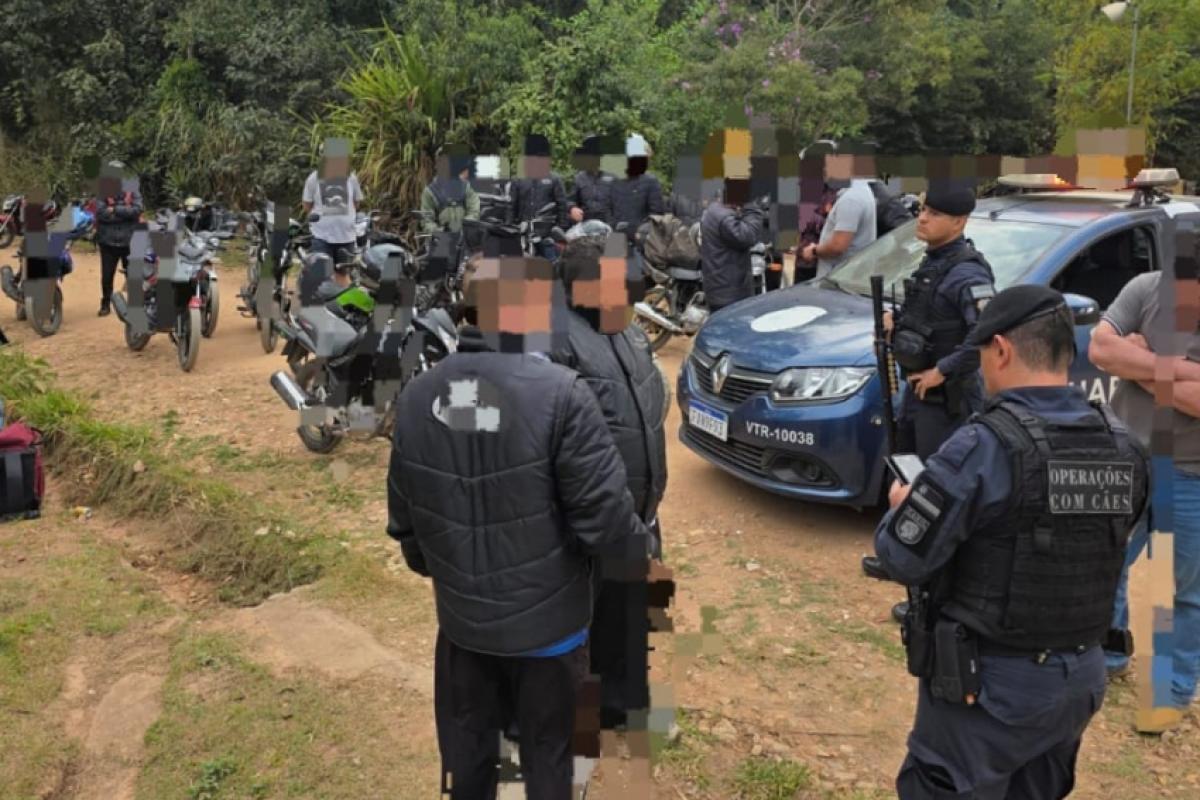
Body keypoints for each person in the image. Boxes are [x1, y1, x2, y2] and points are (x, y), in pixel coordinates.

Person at [386, 254, 652, 800]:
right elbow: (608, 527)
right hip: (551, 639)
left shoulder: (416, 397)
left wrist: (460, 578)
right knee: (551, 758)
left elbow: (407, 530)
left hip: (462, 630)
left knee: (467, 757)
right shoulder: (563, 395)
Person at [875, 284, 1150, 798]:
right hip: (1078, 679)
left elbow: (902, 556)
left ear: (1000, 350)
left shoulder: (983, 446)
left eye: (981, 354)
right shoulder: (1123, 445)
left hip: (990, 687)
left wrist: (902, 506)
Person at [549, 233, 669, 737]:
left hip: (634, 510)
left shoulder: (626, 329)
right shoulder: (553, 339)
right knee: (579, 627)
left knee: (627, 618)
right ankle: (569, 723)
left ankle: (624, 708)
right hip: (586, 517)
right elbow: (550, 440)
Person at [861, 185, 996, 614]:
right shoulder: (933, 263)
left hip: (947, 401)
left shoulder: (970, 274)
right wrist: (895, 322)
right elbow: (931, 320)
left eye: (934, 213)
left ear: (959, 222)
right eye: (922, 210)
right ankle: (902, 557)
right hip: (917, 396)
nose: (922, 218)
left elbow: (986, 336)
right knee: (907, 477)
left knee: (936, 492)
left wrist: (943, 370)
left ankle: (930, 590)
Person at [1090, 269, 1200, 733]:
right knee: (1103, 560)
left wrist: (1138, 360)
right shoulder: (1147, 286)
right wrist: (1177, 371)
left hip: (1192, 473)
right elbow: (1099, 349)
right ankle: (1109, 653)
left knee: (1187, 590)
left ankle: (1171, 690)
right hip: (1126, 455)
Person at [699, 178, 766, 314]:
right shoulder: (725, 218)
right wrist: (752, 207)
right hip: (728, 294)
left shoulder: (715, 209)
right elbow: (748, 236)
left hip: (719, 288)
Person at [302, 141, 365, 268]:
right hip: (322, 238)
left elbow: (356, 203)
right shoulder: (313, 179)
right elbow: (307, 205)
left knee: (345, 277)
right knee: (321, 277)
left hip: (347, 238)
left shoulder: (351, 178)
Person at [799, 177, 876, 278]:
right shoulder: (860, 191)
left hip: (839, 278)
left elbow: (837, 246)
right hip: (846, 275)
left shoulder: (851, 200)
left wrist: (814, 250)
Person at [509, 135, 569, 261]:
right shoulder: (518, 179)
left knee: (554, 268)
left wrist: (560, 230)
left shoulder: (554, 179)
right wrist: (511, 229)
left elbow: (562, 206)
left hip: (547, 235)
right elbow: (511, 206)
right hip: (523, 234)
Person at [94, 161, 143, 316]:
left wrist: (114, 209)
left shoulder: (133, 190)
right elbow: (101, 213)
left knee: (133, 275)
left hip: (130, 241)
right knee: (107, 276)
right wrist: (125, 213)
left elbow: (137, 210)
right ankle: (105, 304)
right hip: (107, 241)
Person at [421, 150, 481, 235]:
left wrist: (464, 226)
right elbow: (426, 221)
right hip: (441, 240)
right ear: (436, 165)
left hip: (464, 238)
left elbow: (474, 211)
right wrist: (441, 231)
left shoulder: (466, 187)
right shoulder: (429, 192)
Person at [569, 135, 618, 226]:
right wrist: (572, 208)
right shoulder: (579, 178)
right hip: (585, 228)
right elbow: (570, 201)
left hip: (610, 227)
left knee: (619, 239)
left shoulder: (613, 178)